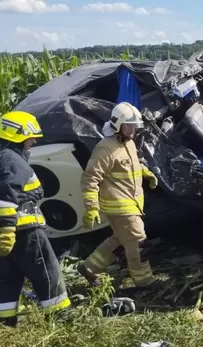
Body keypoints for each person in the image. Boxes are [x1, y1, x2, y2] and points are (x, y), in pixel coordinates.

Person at [0, 111, 71, 328]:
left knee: (6, 277)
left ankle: (3, 324)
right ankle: (60, 319)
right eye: (31, 137)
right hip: (22, 230)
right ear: (18, 135)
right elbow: (4, 196)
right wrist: (9, 229)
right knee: (47, 272)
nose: (34, 141)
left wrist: (2, 232)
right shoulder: (12, 160)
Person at [77, 102, 160, 288]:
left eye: (134, 125)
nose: (133, 129)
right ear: (117, 125)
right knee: (139, 242)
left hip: (133, 204)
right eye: (128, 125)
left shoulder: (128, 143)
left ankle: (90, 268)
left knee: (121, 239)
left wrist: (145, 171)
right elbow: (90, 177)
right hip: (120, 207)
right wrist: (91, 207)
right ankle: (144, 280)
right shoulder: (105, 148)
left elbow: (131, 164)